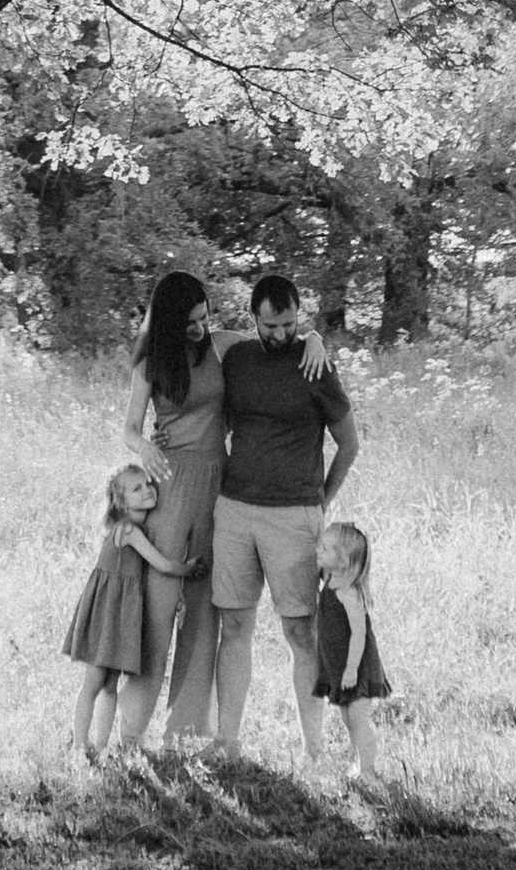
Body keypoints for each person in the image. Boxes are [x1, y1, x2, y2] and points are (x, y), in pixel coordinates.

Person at [113, 266, 334, 750]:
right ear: (168, 321)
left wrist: (315, 338)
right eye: (189, 321)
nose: (199, 327)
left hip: (220, 486)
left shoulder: (222, 346)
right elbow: (129, 427)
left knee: (204, 614)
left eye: (204, 317)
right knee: (158, 607)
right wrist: (144, 448)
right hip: (170, 486)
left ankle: (185, 731)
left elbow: (277, 337)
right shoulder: (150, 363)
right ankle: (131, 730)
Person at [212, 266, 357, 759]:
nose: (281, 335)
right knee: (234, 626)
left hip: (294, 515)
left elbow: (349, 443)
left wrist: (322, 499)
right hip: (235, 510)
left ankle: (314, 750)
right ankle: (227, 743)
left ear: (300, 316)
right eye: (270, 326)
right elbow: (197, 337)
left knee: (300, 632)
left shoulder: (316, 365)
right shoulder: (237, 358)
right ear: (253, 318)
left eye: (291, 325)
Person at [62, 463, 189, 761]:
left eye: (148, 484)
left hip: (120, 615)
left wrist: (179, 594)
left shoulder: (137, 528)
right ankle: (79, 747)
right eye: (136, 488)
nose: (148, 491)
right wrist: (189, 569)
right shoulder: (129, 530)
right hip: (108, 614)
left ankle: (101, 748)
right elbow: (162, 564)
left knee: (110, 685)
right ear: (120, 501)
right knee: (94, 683)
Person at [313, 520, 391, 782]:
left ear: (343, 560)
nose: (318, 550)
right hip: (339, 665)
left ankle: (369, 770)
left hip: (357, 666)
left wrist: (351, 670)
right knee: (348, 719)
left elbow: (359, 634)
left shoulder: (348, 593)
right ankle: (359, 763)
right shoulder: (330, 580)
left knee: (358, 719)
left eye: (325, 549)